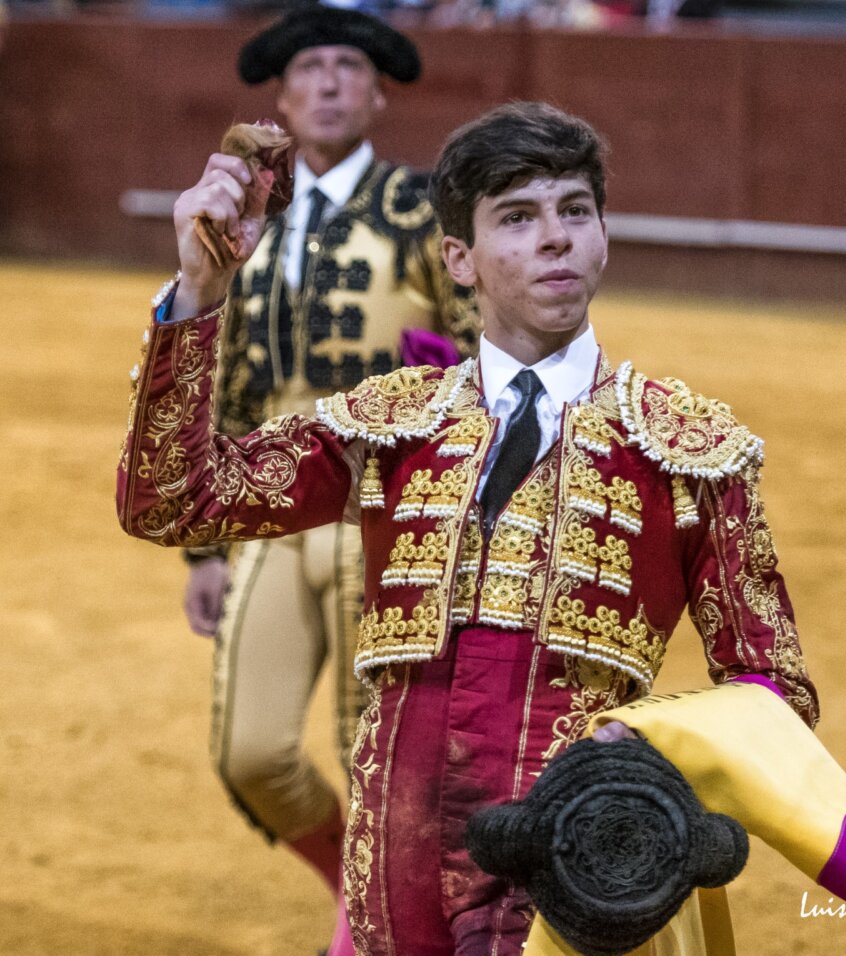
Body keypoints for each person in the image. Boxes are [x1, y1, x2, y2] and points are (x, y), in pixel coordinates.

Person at [118, 101, 817, 956]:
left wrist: (655, 756)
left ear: (603, 236)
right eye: (517, 218)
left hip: (579, 866)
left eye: (575, 211)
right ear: (459, 258)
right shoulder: (389, 426)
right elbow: (173, 499)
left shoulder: (687, 451)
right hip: (392, 866)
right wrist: (201, 292)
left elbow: (772, 686)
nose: (554, 237)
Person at [174, 5, 477, 951]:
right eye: (312, 68)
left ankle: (376, 928)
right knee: (252, 753)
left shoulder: (424, 207)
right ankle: (360, 885)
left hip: (386, 502)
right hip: (270, 505)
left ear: (378, 92)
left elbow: (479, 350)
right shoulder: (244, 219)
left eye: (350, 66)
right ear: (282, 96)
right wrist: (202, 550)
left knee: (377, 746)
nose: (331, 82)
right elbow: (218, 368)